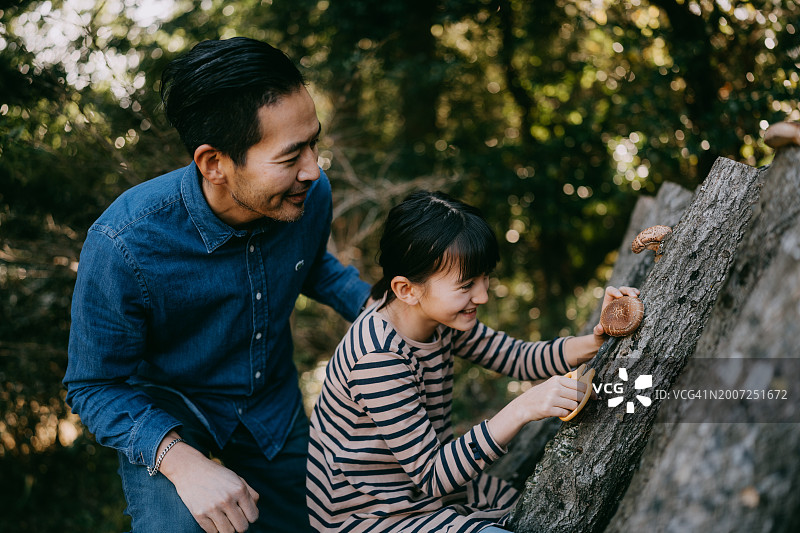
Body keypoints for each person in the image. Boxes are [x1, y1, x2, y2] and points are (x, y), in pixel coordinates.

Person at [64, 37, 371, 533]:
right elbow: (94, 385)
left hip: (272, 408)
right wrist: (180, 460)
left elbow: (312, 266)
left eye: (314, 142)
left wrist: (393, 311)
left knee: (323, 524)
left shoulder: (307, 195)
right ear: (214, 163)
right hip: (169, 415)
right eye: (291, 155)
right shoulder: (124, 243)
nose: (314, 169)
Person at [306, 190, 639, 532]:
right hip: (370, 514)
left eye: (484, 278)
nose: (481, 295)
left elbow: (519, 358)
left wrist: (595, 339)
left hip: (421, 491)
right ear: (407, 289)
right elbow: (434, 474)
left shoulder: (438, 317)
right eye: (466, 285)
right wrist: (523, 408)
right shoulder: (378, 357)